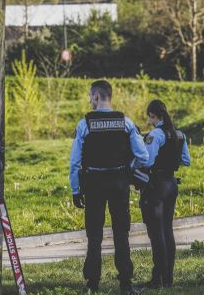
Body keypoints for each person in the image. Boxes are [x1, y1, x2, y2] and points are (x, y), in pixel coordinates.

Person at [69, 80, 150, 294]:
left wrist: (76, 190)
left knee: (94, 235)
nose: (89, 100)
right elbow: (143, 155)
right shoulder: (126, 123)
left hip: (93, 184)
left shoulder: (84, 124)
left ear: (96, 97)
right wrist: (127, 168)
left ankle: (93, 284)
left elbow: (75, 162)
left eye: (90, 96)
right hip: (119, 184)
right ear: (109, 96)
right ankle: (125, 283)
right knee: (121, 234)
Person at [138, 99, 191, 289]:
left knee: (156, 232)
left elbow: (148, 161)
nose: (150, 121)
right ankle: (168, 277)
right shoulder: (179, 134)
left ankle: (157, 279)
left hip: (156, 186)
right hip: (171, 184)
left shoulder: (156, 134)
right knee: (167, 230)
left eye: (150, 118)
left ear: (153, 115)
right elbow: (186, 160)